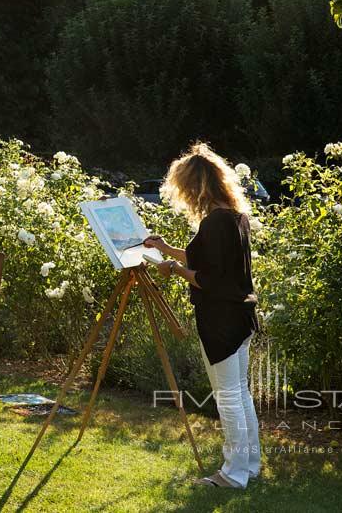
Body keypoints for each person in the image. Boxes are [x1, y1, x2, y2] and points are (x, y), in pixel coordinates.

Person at [143, 143, 261, 489]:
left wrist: (174, 269)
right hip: (240, 317)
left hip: (222, 321)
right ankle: (249, 465)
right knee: (240, 394)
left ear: (194, 187)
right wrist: (166, 249)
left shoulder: (214, 223)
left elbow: (207, 278)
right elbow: (210, 261)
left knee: (229, 398)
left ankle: (233, 474)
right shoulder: (234, 217)